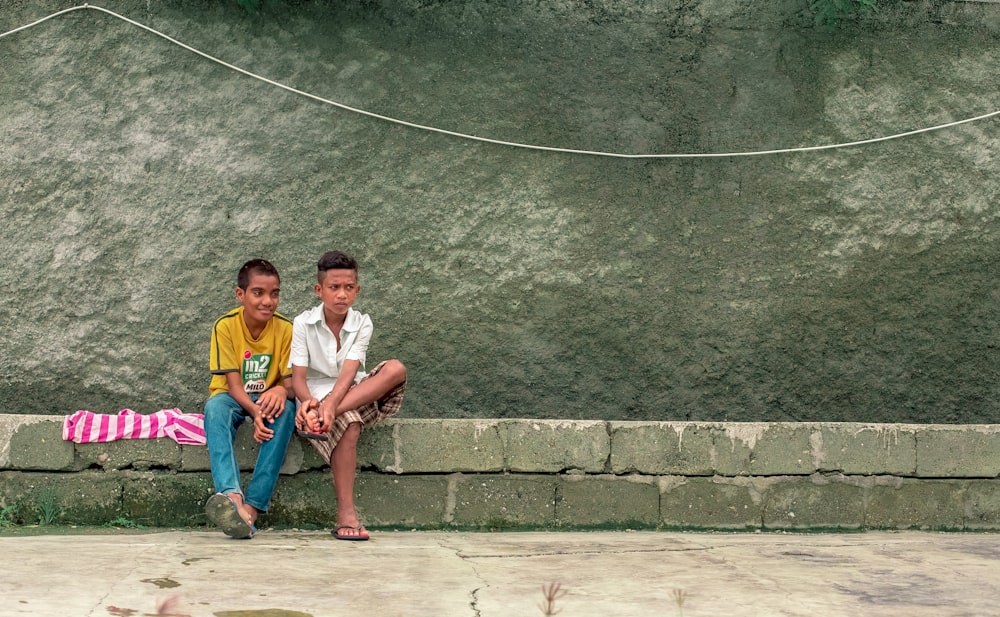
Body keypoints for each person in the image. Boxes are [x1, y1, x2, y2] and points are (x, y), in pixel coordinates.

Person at [291, 250, 407, 541]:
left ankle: (332, 414)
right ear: (319, 290)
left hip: (351, 392)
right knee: (351, 423)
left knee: (395, 369)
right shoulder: (302, 323)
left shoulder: (362, 322)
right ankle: (346, 512)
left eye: (349, 287)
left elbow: (350, 372)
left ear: (357, 290)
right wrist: (310, 405)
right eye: (334, 287)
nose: (341, 295)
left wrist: (332, 406)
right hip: (315, 399)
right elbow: (298, 379)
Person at [203, 258, 296, 539]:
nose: (268, 301)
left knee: (288, 410)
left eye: (275, 293)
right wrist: (255, 413)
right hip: (234, 398)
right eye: (258, 293)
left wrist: (281, 390)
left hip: (268, 399)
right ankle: (232, 497)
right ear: (240, 295)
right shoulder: (225, 326)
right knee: (214, 408)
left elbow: (291, 384)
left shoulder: (286, 329)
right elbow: (232, 386)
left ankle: (252, 509)